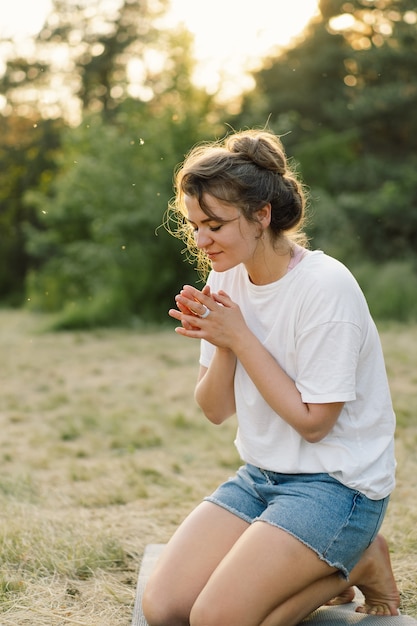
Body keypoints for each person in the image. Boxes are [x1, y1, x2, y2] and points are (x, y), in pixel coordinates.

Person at [142, 128, 400, 626]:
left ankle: (358, 560)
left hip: (337, 487)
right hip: (262, 478)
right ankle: (326, 563)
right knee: (165, 609)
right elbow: (215, 410)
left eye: (214, 225)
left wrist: (240, 338)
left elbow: (314, 424)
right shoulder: (226, 274)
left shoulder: (326, 287)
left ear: (262, 215)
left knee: (216, 620)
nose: (201, 241)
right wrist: (222, 343)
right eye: (194, 225)